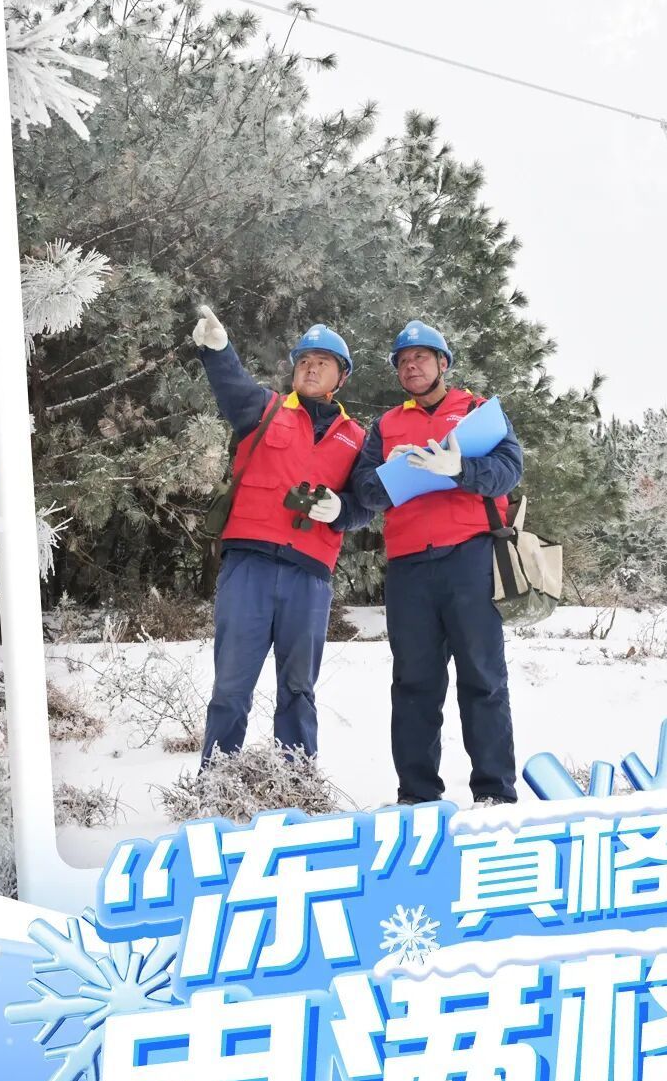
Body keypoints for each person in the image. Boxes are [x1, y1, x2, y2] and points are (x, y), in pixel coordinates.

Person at [347, 319, 522, 807]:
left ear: (443, 363)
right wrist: (392, 470)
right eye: (403, 361)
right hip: (409, 568)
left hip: (470, 558)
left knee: (483, 677)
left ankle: (494, 793)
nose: (411, 366)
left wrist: (460, 468)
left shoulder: (477, 411)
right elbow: (364, 489)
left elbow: (510, 471)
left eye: (421, 357)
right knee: (413, 684)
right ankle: (417, 796)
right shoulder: (385, 426)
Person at [193, 306, 372, 765]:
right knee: (231, 684)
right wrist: (219, 351)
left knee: (298, 689)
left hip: (308, 577)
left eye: (322, 362)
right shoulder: (266, 409)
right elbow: (232, 386)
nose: (310, 368)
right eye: (304, 361)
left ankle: (294, 783)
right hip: (247, 567)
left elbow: (368, 502)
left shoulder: (357, 438)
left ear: (341, 378)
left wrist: (342, 510)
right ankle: (217, 783)